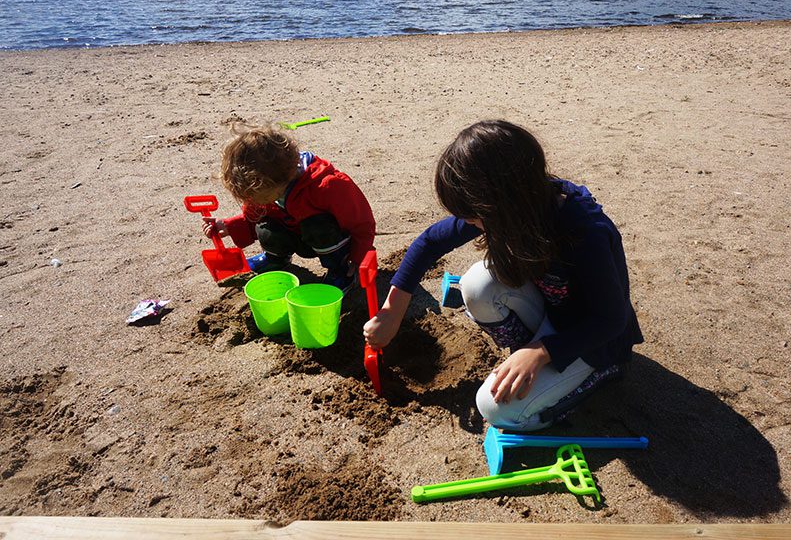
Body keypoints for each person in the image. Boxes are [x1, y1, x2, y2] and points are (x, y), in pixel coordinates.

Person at [363, 120, 642, 431]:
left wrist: (540, 353)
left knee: (494, 409)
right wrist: (392, 311)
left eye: (472, 216)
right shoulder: (514, 208)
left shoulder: (584, 233)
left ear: (501, 203)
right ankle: (529, 356)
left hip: (596, 342)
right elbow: (430, 241)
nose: (468, 223)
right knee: (476, 285)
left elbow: (611, 321)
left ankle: (598, 375)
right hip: (553, 313)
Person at [202, 124, 375, 291]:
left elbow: (362, 224)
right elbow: (257, 215)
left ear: (282, 181)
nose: (253, 201)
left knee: (317, 226)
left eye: (256, 197)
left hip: (330, 239)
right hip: (297, 234)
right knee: (266, 228)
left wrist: (359, 257)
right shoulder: (271, 186)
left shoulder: (328, 186)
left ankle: (340, 271)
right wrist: (230, 225)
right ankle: (275, 259)